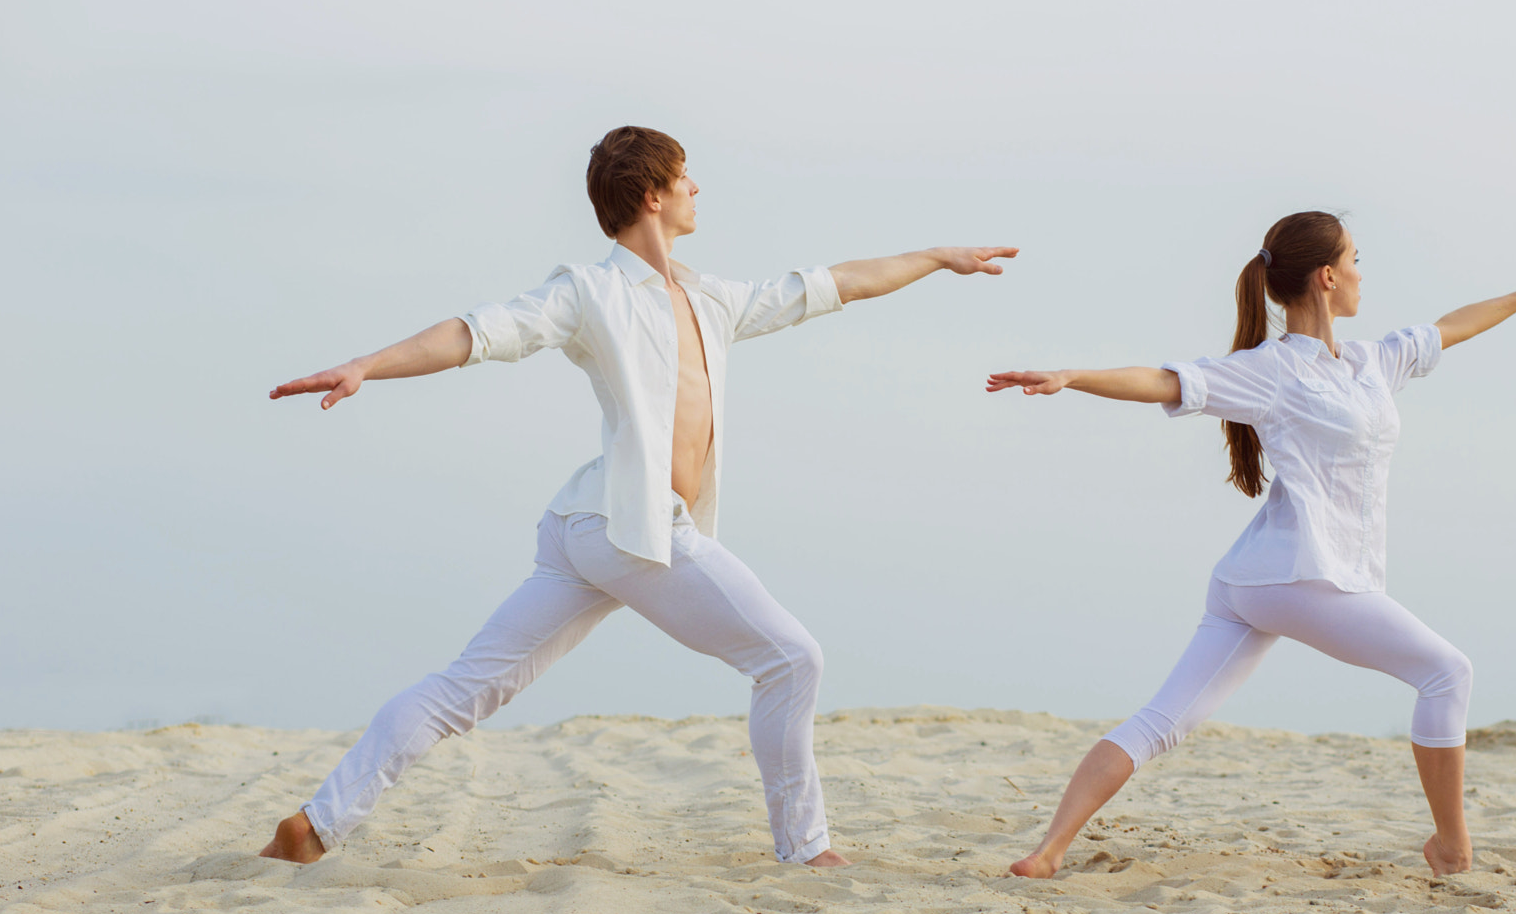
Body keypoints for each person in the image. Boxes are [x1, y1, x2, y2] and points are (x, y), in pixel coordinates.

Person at [261, 125, 1016, 868]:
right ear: (653, 195)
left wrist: (935, 258)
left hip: (587, 531)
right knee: (793, 658)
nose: (696, 187)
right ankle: (807, 847)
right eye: (685, 175)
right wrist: (368, 364)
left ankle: (316, 824)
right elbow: (478, 333)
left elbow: (833, 285)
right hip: (632, 530)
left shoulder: (710, 297)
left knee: (465, 690)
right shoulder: (589, 291)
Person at [987, 211, 1516, 878]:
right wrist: (1074, 375)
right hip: (1308, 577)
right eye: (1357, 258)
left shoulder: (1371, 361)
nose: (1364, 272)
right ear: (1329, 276)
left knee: (1164, 721)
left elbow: (1453, 326)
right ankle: (1452, 847)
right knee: (1448, 672)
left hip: (1251, 581)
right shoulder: (1273, 370)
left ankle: (1047, 853)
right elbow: (1167, 381)